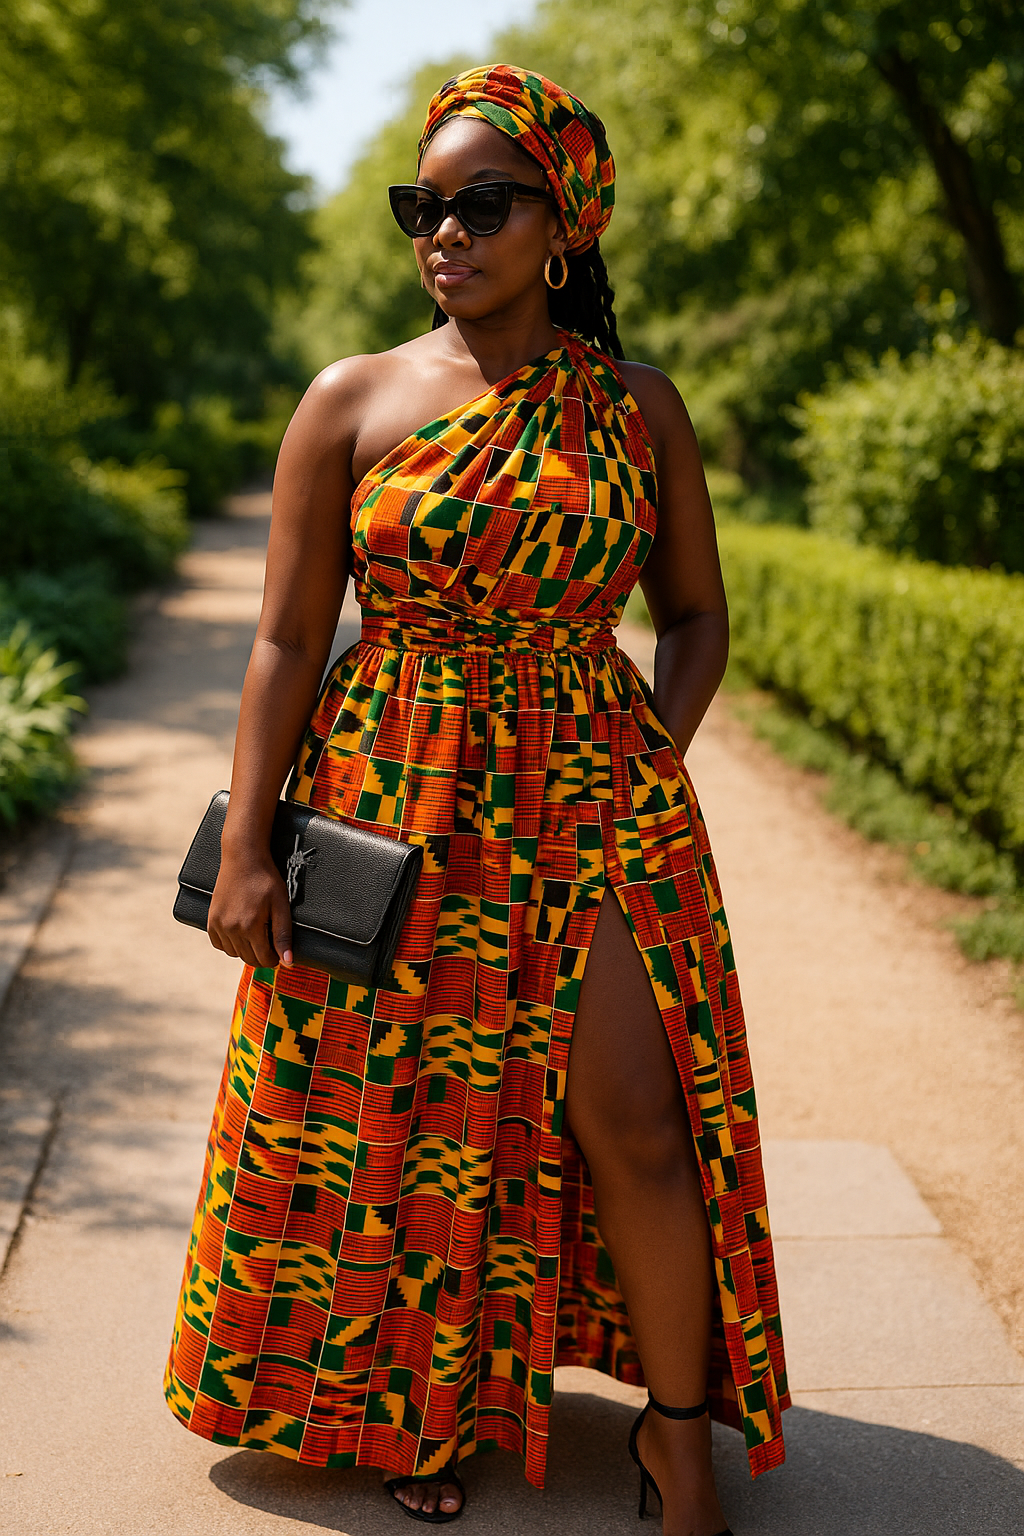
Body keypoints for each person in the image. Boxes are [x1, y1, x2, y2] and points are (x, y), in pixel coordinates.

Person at [164, 63, 788, 1534]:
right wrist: (248, 845)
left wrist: (649, 765)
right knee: (399, 1121)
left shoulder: (638, 410)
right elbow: (279, 641)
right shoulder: (352, 399)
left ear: (566, 224)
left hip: (593, 816)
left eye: (483, 203)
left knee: (636, 1123)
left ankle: (677, 1438)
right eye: (423, 206)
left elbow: (695, 616)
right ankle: (417, 1416)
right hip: (393, 803)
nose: (446, 231)